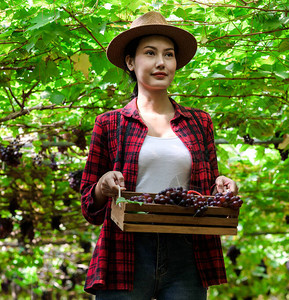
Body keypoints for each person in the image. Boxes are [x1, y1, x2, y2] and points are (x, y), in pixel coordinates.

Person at [80, 11, 238, 299]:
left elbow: (208, 190)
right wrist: (103, 185)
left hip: (188, 252)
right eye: (150, 53)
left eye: (168, 54)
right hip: (125, 250)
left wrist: (222, 186)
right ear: (130, 61)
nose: (161, 63)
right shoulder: (109, 124)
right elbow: (89, 208)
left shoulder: (200, 123)